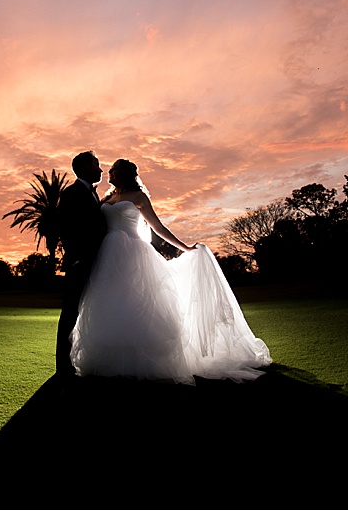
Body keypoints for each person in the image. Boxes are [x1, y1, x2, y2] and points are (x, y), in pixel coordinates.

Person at [69, 158, 271, 384]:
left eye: (114, 170)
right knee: (111, 304)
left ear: (124, 173)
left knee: (138, 305)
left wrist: (184, 247)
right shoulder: (105, 198)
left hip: (133, 254)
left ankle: (142, 360)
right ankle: (111, 358)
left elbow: (157, 227)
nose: (109, 172)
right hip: (107, 255)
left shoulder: (138, 198)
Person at [55, 150, 108, 376]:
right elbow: (63, 226)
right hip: (80, 264)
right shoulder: (71, 193)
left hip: (99, 264)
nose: (101, 169)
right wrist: (75, 256)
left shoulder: (94, 195)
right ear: (86, 167)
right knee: (70, 313)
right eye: (97, 165)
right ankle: (63, 367)